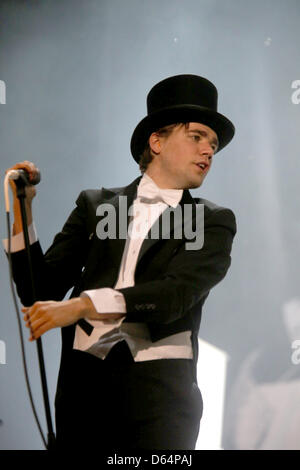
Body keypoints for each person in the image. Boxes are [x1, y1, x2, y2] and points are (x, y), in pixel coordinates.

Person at [5, 74, 236, 450]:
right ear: (156, 141)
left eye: (213, 144)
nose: (208, 151)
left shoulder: (213, 220)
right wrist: (20, 212)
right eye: (196, 137)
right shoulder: (95, 204)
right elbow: (38, 290)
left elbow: (176, 294)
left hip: (160, 405)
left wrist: (85, 305)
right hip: (84, 399)